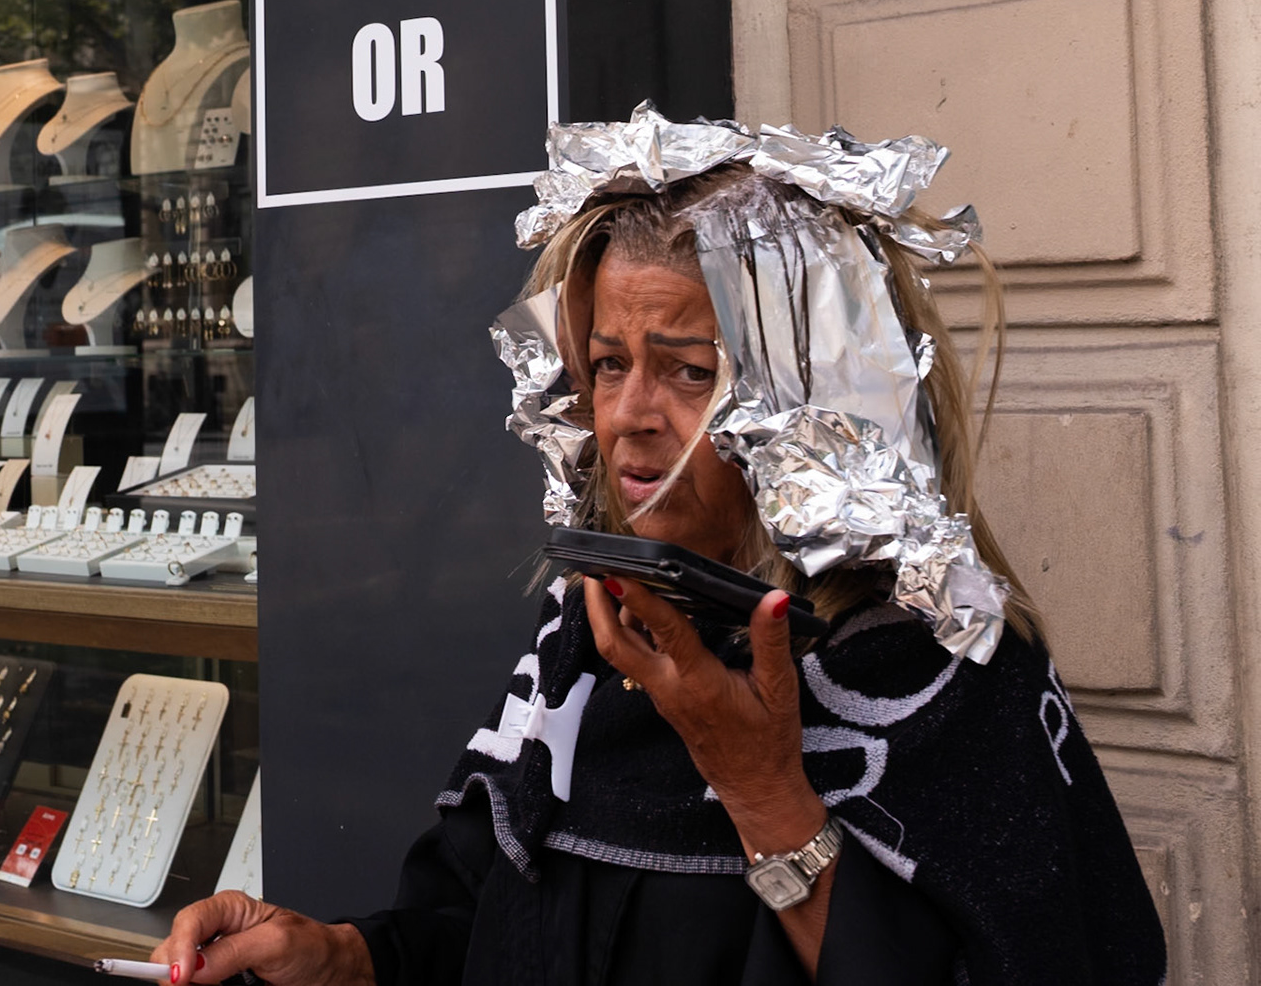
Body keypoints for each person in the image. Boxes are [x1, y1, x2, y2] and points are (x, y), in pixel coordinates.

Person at [154, 112, 1166, 984]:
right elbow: (482, 926)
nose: (629, 414)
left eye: (687, 371)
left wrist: (764, 788)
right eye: (605, 365)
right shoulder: (595, 636)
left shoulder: (934, 673)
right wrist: (340, 954)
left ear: (817, 399)